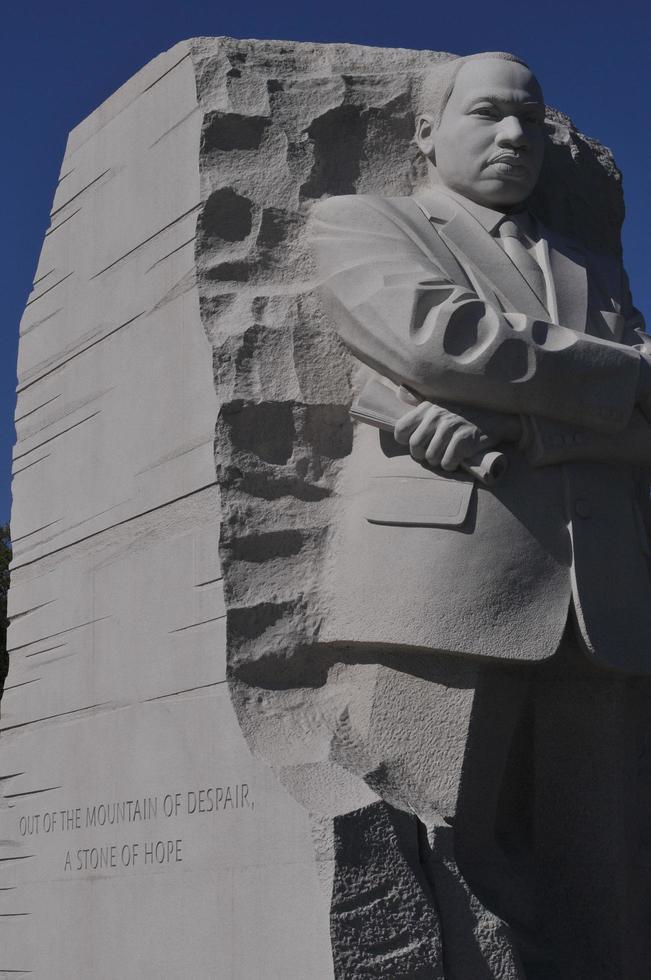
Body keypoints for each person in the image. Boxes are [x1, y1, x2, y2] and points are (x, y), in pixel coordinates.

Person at [310, 52, 651, 979]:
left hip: (604, 598)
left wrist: (533, 426)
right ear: (425, 133)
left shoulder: (591, 270)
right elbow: (443, 340)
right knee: (422, 857)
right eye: (488, 115)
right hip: (444, 584)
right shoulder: (362, 224)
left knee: (606, 884)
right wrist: (621, 382)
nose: (514, 137)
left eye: (530, 121)